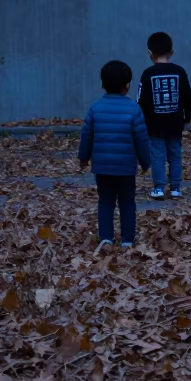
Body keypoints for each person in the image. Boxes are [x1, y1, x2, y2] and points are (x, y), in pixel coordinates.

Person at [79, 60, 152, 248]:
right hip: (126, 168)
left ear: (103, 84)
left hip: (102, 168)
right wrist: (145, 162)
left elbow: (86, 135)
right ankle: (127, 239)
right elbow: (141, 139)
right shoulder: (134, 109)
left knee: (106, 202)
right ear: (127, 85)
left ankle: (106, 237)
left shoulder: (95, 108)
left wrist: (83, 158)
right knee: (127, 202)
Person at [136, 32, 191, 199]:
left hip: (154, 124)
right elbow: (187, 97)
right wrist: (187, 116)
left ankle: (159, 188)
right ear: (172, 51)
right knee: (175, 154)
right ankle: (176, 188)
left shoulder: (147, 74)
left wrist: (141, 120)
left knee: (157, 155)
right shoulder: (180, 72)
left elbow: (140, 100)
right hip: (175, 123)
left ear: (150, 53)